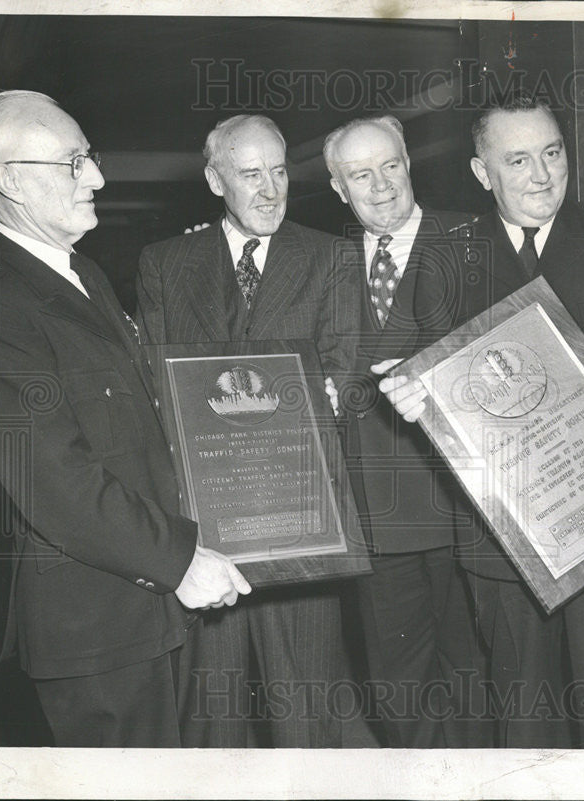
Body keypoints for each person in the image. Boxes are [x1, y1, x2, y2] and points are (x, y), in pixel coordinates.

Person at [379, 95, 584, 748]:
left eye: (552, 153)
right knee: (524, 717)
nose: (542, 175)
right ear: (479, 171)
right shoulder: (446, 258)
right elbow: (428, 383)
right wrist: (415, 400)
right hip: (503, 538)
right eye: (517, 160)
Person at [0, 90, 249, 747]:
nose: (99, 179)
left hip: (156, 603)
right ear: (10, 179)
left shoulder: (84, 274)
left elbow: (143, 429)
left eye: (92, 158)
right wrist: (179, 559)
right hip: (100, 628)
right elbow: (60, 486)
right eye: (74, 162)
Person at [135, 115, 351, 748]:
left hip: (302, 522)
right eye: (250, 174)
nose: (270, 190)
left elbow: (344, 369)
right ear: (214, 180)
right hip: (206, 531)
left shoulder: (329, 258)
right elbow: (155, 388)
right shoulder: (165, 263)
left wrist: (337, 393)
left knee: (307, 714)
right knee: (210, 717)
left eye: (280, 171)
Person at [321, 116, 487, 747]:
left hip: (470, 507)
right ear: (339, 188)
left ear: (410, 164)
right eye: (360, 174)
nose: (381, 185)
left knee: (476, 675)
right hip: (375, 517)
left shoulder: (474, 241)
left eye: (391, 166)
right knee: (397, 684)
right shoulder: (324, 265)